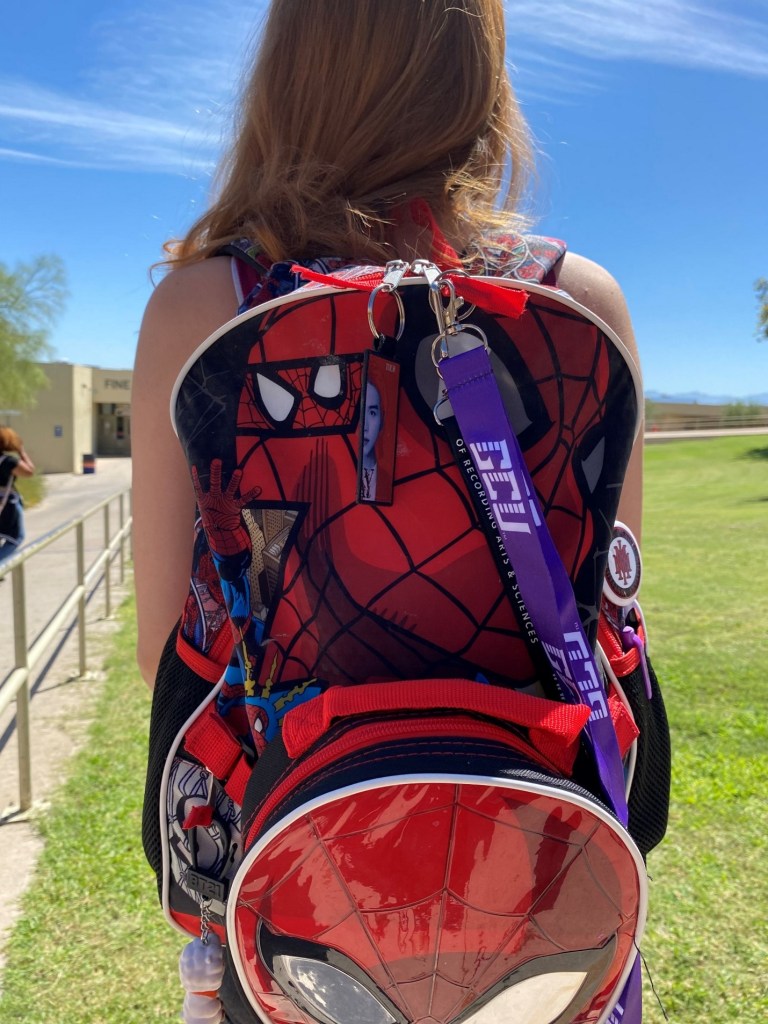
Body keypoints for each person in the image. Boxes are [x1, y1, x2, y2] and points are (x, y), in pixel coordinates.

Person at [133, 2, 645, 1020]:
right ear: (480, 78)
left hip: (288, 869)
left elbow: (168, 654)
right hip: (538, 878)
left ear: (288, 76)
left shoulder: (203, 306)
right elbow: (614, 627)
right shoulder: (581, 301)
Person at [0, 427, 35, 566]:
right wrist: (22, 452)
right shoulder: (8, 462)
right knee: (16, 538)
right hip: (6, 503)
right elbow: (29, 471)